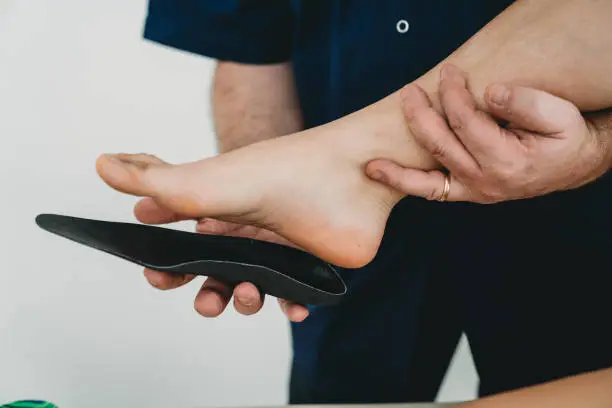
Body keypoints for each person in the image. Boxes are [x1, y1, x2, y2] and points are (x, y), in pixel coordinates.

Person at [98, 0, 612, 404]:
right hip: (334, 232)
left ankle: (330, 167)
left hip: (579, 210)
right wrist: (268, 184)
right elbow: (249, 34)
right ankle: (325, 171)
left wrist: (599, 147)